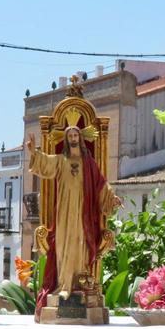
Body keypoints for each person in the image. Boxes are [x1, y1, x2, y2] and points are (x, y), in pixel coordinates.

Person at [24, 127, 121, 307]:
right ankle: (64, 284)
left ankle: (79, 283)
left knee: (80, 244)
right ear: (67, 139)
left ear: (81, 138)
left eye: (76, 135)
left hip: (84, 213)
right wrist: (34, 152)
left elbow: (100, 184)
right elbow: (46, 163)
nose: (74, 138)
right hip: (64, 212)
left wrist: (111, 197)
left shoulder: (89, 163)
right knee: (63, 245)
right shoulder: (61, 160)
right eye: (70, 136)